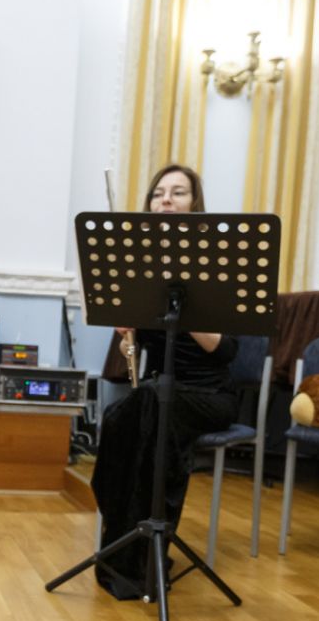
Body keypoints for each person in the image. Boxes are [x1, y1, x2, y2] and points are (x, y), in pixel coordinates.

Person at [90, 164, 240, 599]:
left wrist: (183, 305)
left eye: (178, 192)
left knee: (152, 408)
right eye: (158, 193)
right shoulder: (141, 268)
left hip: (209, 394)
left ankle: (147, 555)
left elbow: (226, 351)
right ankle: (124, 548)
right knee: (120, 416)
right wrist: (127, 334)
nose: (166, 200)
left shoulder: (216, 265)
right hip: (159, 393)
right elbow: (136, 353)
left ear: (195, 204)